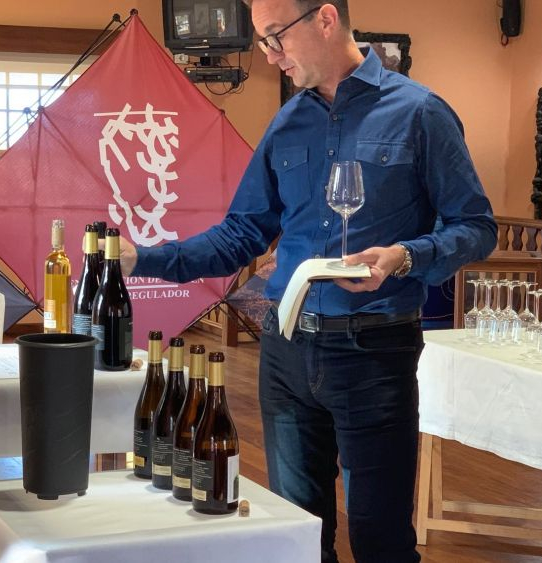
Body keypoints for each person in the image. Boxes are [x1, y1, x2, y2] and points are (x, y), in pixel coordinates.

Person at [122, 1, 496, 561]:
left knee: (381, 539)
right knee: (296, 536)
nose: (270, 56)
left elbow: (476, 227)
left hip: (375, 352)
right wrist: (142, 260)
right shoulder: (287, 122)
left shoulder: (420, 112)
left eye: (275, 37)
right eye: (262, 42)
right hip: (286, 350)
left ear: (325, 19)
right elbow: (241, 234)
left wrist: (405, 256)